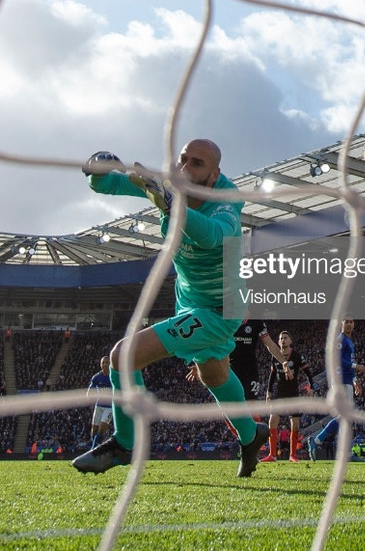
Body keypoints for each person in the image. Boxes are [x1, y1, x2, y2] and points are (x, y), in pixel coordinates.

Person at [71, 140, 270, 478]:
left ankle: (125, 444)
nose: (186, 169)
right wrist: (98, 170)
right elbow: (116, 183)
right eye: (183, 160)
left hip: (220, 309)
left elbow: (212, 237)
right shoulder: (168, 186)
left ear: (214, 175)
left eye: (197, 164)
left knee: (123, 356)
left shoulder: (226, 201)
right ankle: (252, 438)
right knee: (214, 375)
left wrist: (170, 205)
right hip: (188, 299)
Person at [310, 316, 365, 462]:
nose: (349, 324)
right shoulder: (340, 339)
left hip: (347, 380)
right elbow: (338, 359)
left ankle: (319, 441)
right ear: (341, 324)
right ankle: (341, 451)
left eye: (351, 322)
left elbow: (349, 361)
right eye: (346, 322)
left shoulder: (348, 341)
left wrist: (354, 380)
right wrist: (356, 367)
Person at [260, 330, 310, 462]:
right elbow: (272, 376)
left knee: (295, 424)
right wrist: (268, 392)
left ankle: (292, 455)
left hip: (293, 394)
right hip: (279, 394)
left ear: (290, 341)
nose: (283, 340)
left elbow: (308, 372)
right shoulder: (275, 357)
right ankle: (272, 455)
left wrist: (312, 387)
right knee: (272, 421)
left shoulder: (297, 356)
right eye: (281, 338)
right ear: (278, 342)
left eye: (285, 338)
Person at [87, 355, 114, 450]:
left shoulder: (114, 376)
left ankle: (93, 451)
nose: (105, 364)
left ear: (110, 364)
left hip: (109, 407)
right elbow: (90, 392)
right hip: (98, 406)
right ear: (100, 364)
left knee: (101, 430)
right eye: (104, 362)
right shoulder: (96, 378)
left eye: (107, 362)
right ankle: (97, 448)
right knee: (93, 432)